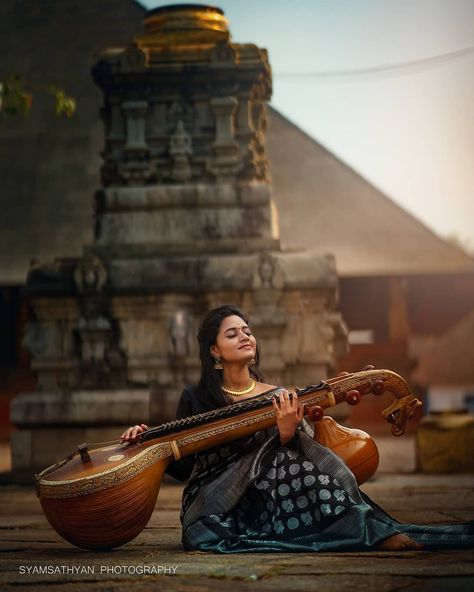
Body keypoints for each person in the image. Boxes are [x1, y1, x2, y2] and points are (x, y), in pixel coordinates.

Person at [121, 304, 473, 553]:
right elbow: (183, 470)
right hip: (217, 504)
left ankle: (366, 530)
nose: (245, 337)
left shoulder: (277, 395)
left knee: (286, 462)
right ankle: (362, 532)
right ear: (215, 351)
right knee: (280, 466)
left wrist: (288, 433)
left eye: (247, 331)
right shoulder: (195, 398)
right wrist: (146, 441)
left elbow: (302, 454)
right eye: (233, 334)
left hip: (268, 495)